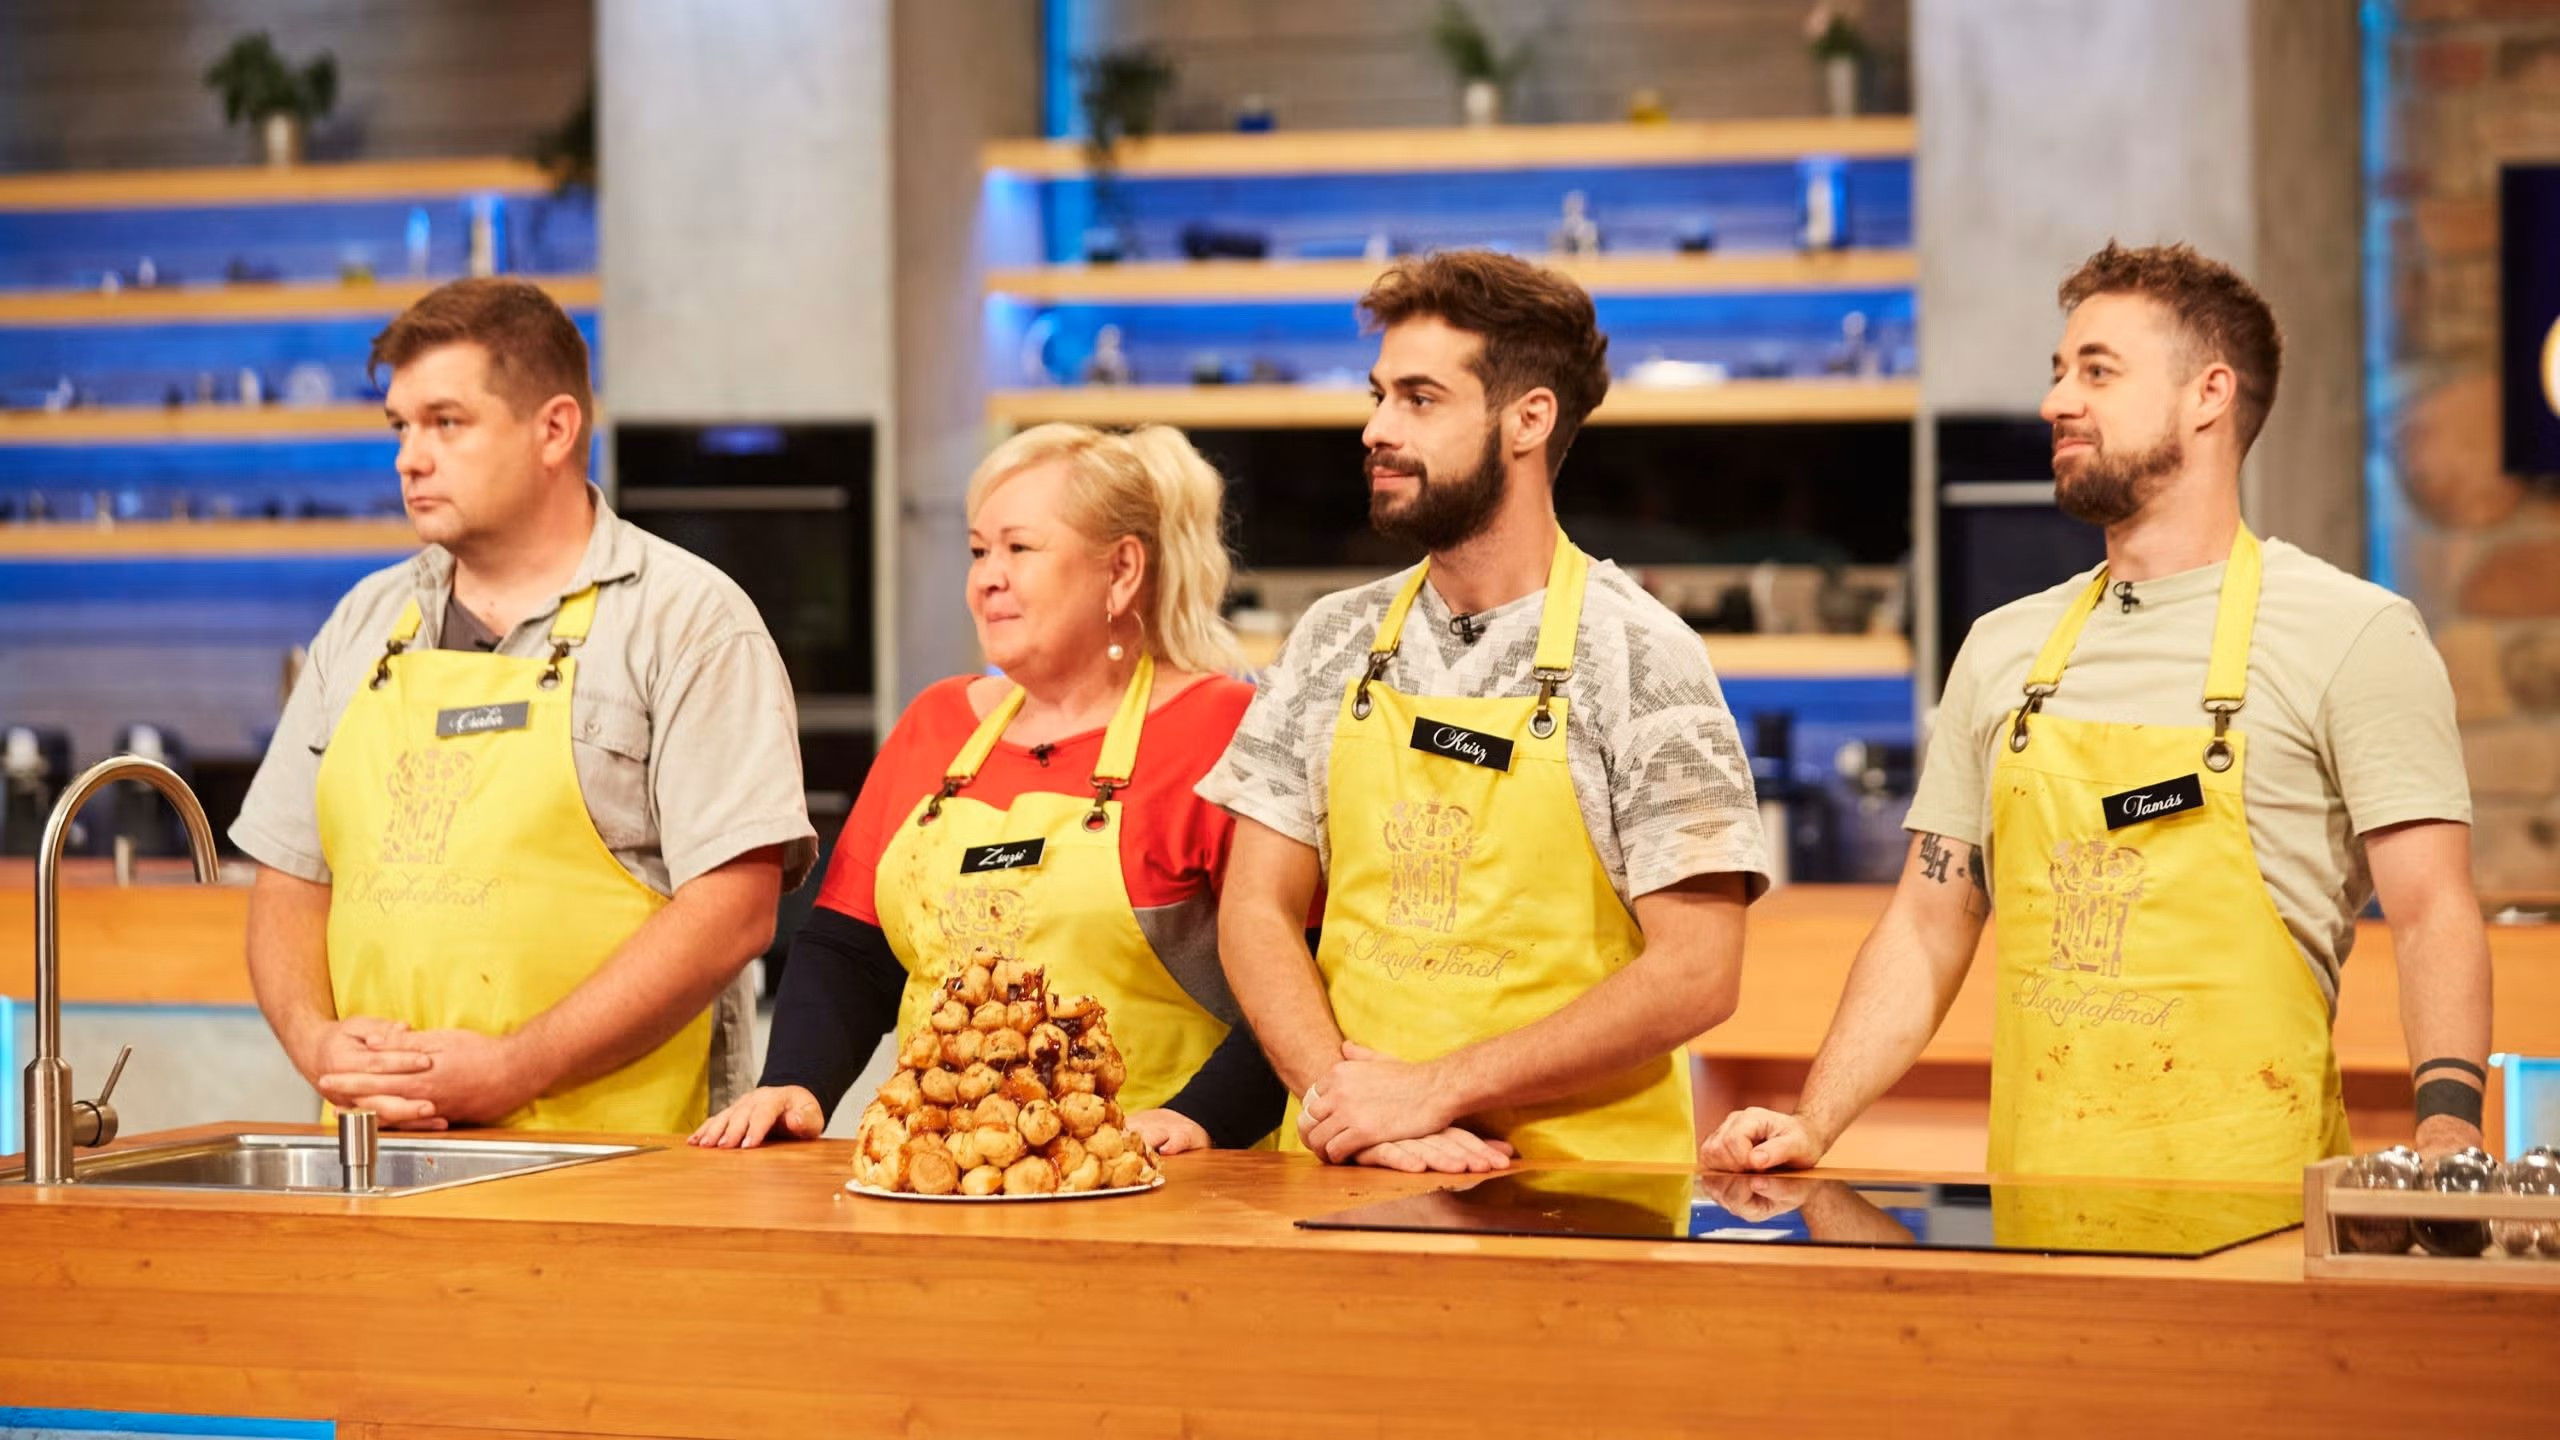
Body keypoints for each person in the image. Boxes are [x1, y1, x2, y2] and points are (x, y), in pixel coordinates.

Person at [1703, 242, 2493, 1183]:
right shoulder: (2003, 649)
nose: (2055, 402)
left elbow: (2432, 911)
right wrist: (1815, 1120)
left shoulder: (2355, 635)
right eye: (2058, 371)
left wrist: (2448, 1130)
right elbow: (1926, 925)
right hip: (2040, 1216)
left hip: (2263, 1217)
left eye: (2098, 371)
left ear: (2208, 395)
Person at [1201, 250, 1770, 1173]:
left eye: (1419, 399)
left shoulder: (1641, 655)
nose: (1376, 429)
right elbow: (1256, 909)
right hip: (1347, 1176)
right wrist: (1348, 1106)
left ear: (1527, 420)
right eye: (1378, 395)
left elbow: (1698, 971)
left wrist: (1434, 1091)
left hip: (1580, 1198)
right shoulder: (1332, 639)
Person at [232, 277, 818, 1134]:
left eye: (446, 422)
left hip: (625, 1171)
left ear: (554, 430)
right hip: (374, 1161)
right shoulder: (362, 622)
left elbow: (733, 912)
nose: (408, 458)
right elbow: (288, 882)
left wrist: (517, 1067)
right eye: (400, 426)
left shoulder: (688, 622)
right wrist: (316, 1042)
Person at [692, 424, 1287, 1154]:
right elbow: (850, 951)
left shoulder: (1222, 728)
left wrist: (1201, 1118)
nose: (987, 579)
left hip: (1155, 1177)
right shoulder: (937, 723)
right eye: (978, 552)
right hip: (940, 1171)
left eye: (1019, 548)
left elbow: (1302, 969)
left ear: (1122, 570)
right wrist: (796, 1082)